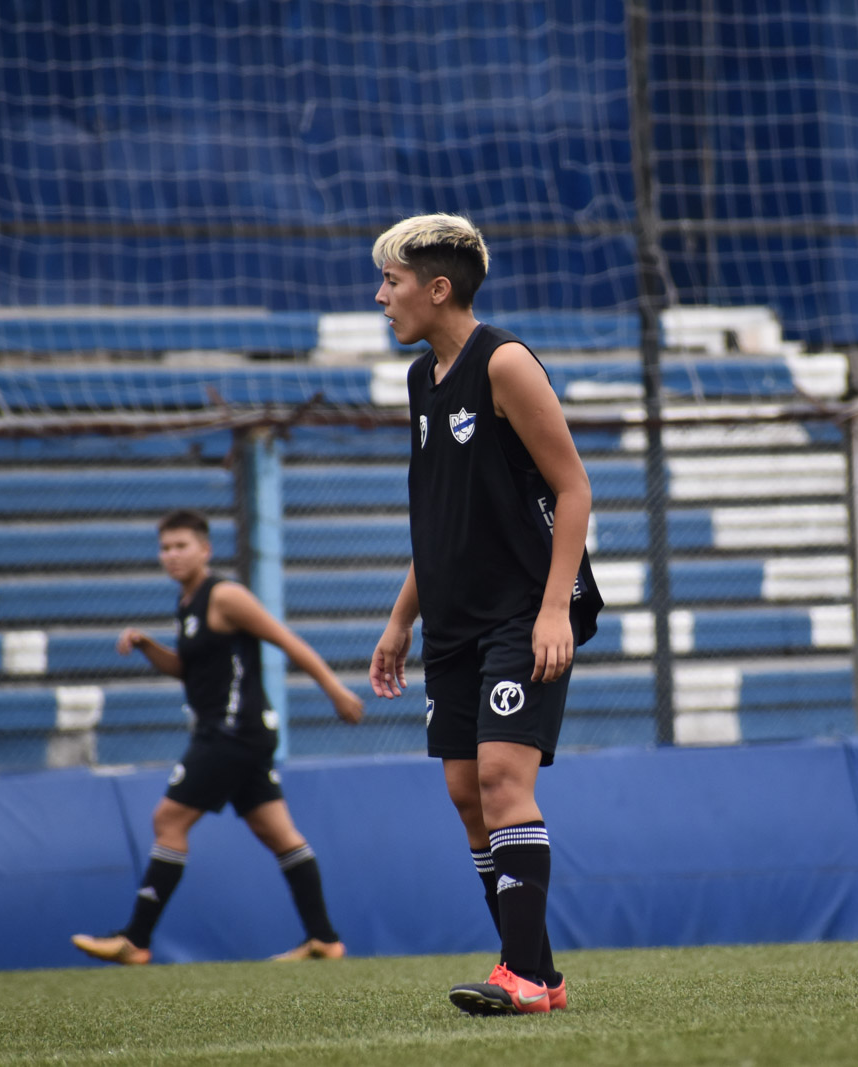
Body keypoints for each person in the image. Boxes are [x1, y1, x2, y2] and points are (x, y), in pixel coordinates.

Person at [367, 213, 603, 1015]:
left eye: (392, 282)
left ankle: (525, 976)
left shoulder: (504, 362)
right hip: (455, 620)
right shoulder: (419, 380)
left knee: (504, 779)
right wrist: (402, 618)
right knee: (468, 794)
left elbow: (574, 489)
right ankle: (540, 972)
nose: (381, 297)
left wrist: (551, 611)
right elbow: (440, 519)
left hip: (520, 613)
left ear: (438, 289)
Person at [72, 508, 366, 966]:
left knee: (168, 820)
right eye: (165, 548)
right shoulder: (188, 603)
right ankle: (324, 940)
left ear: (205, 550)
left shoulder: (224, 595)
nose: (171, 555)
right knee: (278, 833)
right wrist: (150, 647)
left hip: (232, 734)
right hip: (241, 736)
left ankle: (135, 939)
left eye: (181, 546)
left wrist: (335, 690)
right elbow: (188, 670)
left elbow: (286, 640)